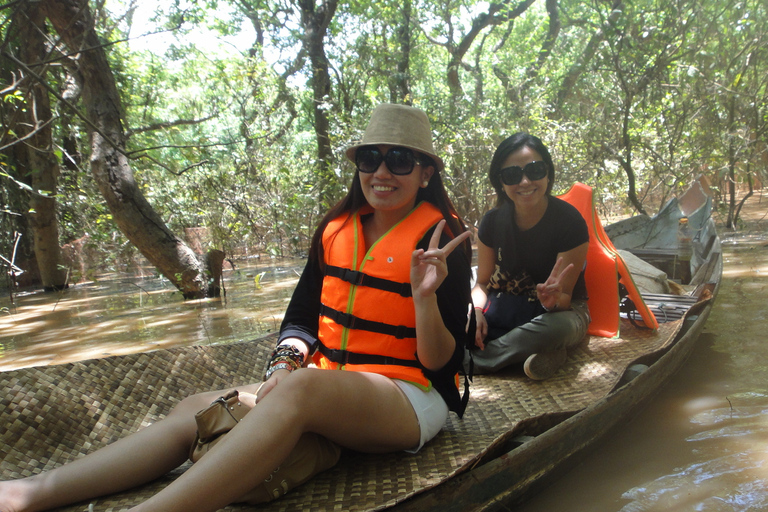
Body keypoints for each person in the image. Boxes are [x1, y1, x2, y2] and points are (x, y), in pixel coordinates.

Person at [0, 103, 473, 512]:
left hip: (408, 396)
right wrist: (283, 367)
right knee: (197, 408)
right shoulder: (336, 228)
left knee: (305, 388)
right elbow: (303, 320)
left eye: (400, 161)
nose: (382, 172)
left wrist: (424, 298)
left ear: (425, 172)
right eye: (371, 158)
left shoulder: (442, 240)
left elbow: (440, 362)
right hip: (327, 381)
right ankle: (31, 494)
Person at [466, 133, 590, 380]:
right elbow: (482, 282)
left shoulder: (570, 222)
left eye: (534, 170)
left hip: (560, 314)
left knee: (555, 330)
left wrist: (551, 301)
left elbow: (565, 299)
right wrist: (476, 310)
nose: (524, 181)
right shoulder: (491, 223)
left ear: (547, 174)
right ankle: (540, 356)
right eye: (512, 175)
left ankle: (470, 362)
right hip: (509, 308)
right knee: (462, 317)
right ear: (500, 182)